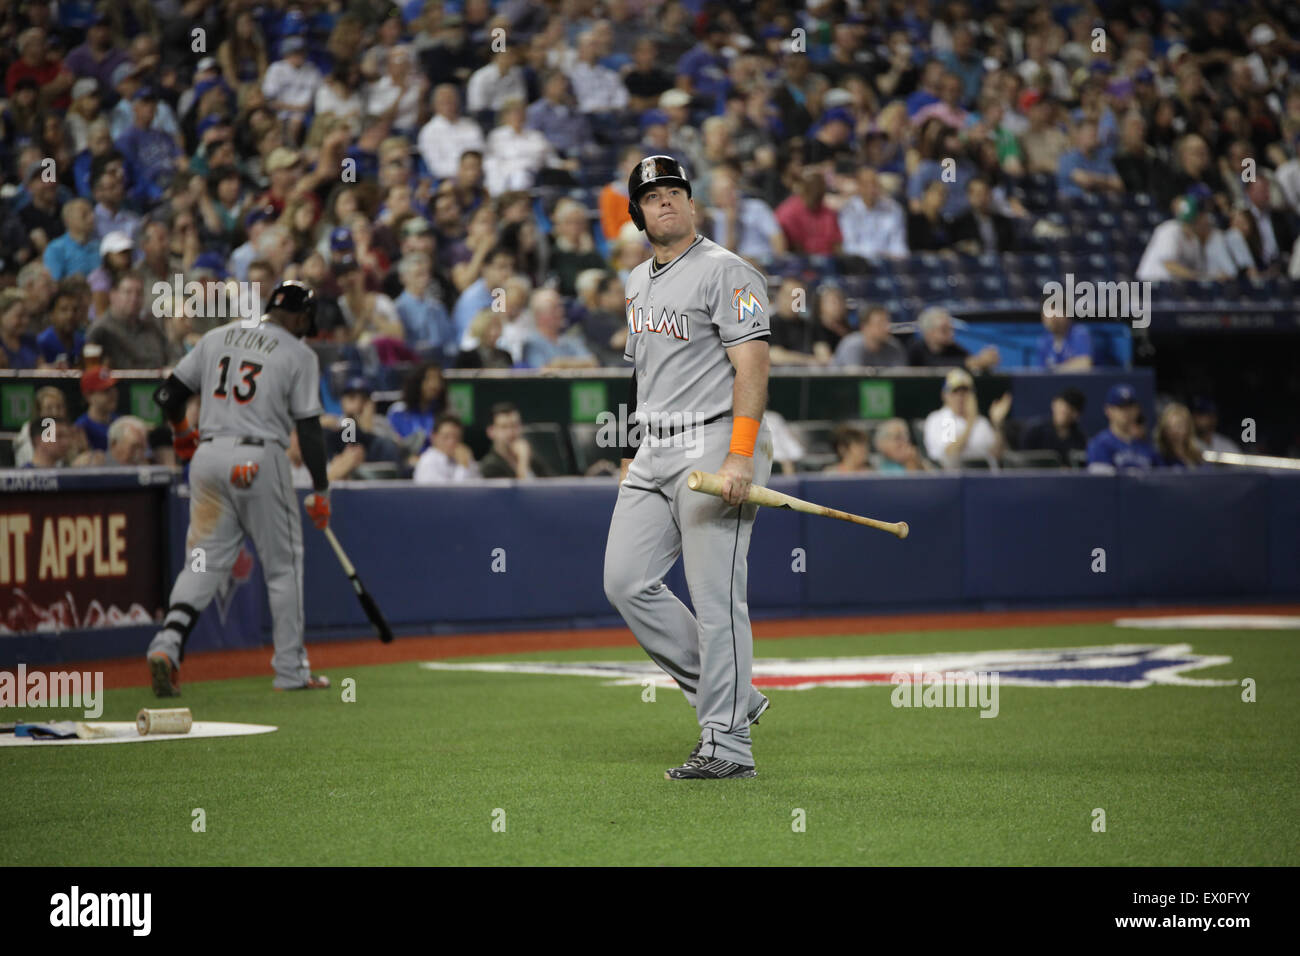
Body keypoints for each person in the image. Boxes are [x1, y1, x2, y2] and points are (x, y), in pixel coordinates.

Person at [604, 155, 775, 781]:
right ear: (638, 214)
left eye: (675, 191)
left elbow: (752, 368)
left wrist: (741, 452)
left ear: (692, 203)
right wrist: (629, 448)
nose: (666, 201)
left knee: (716, 597)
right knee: (625, 582)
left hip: (714, 441)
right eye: (653, 196)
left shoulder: (728, 271)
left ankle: (727, 744)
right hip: (653, 446)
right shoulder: (635, 282)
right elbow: (639, 369)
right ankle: (734, 696)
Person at [146, 280, 332, 695]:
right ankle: (290, 671)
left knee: (202, 562)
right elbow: (309, 428)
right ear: (301, 317)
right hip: (259, 457)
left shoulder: (216, 336)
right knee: (284, 567)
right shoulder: (299, 353)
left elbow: (166, 394)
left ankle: (167, 644)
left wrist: (180, 433)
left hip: (207, 457)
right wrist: (321, 488)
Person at [923, 367, 1011, 469]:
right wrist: (970, 421)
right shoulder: (944, 419)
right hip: (954, 479)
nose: (960, 397)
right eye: (955, 391)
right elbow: (951, 453)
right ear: (945, 395)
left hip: (985, 477)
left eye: (965, 392)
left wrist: (997, 424)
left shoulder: (981, 422)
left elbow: (996, 455)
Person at [1086, 384, 1160, 473]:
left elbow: (1161, 478)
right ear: (1108, 411)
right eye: (1121, 407)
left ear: (1137, 410)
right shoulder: (1100, 444)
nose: (1126, 412)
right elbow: (1102, 483)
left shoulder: (1147, 445)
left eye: (1130, 407)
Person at [908, 306, 1000, 372]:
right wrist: (972, 362)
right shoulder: (915, 349)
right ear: (928, 332)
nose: (951, 334)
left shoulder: (954, 349)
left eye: (951, 329)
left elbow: (969, 361)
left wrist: (983, 363)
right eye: (944, 330)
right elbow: (932, 364)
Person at [478, 402, 552, 479]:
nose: (511, 432)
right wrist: (523, 461)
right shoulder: (490, 467)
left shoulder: (533, 460)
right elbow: (520, 490)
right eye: (504, 427)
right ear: (491, 432)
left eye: (515, 425)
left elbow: (555, 485)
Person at [1017, 388, 1088, 464]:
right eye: (1063, 406)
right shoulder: (1034, 431)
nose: (1066, 411)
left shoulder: (1080, 439)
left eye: (1072, 409)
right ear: (1054, 404)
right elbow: (1022, 461)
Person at [833, 304, 907, 368]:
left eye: (887, 322)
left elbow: (901, 379)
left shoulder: (894, 347)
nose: (886, 327)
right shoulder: (852, 346)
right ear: (865, 327)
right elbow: (855, 380)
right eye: (880, 323)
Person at [412, 416, 480, 483]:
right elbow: (451, 492)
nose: (452, 442)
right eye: (446, 437)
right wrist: (463, 467)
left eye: (457, 437)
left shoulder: (465, 456)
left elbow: (479, 485)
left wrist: (465, 463)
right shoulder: (428, 461)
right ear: (433, 437)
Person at [74, 366, 119, 452]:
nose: (113, 394)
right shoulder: (81, 427)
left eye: (113, 388)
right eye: (106, 391)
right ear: (88, 396)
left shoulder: (120, 422)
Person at [1036, 303, 1094, 371]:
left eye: (1055, 317)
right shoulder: (1044, 341)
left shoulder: (1080, 333)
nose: (1051, 321)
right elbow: (1041, 371)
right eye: (1046, 316)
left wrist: (1055, 370)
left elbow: (1085, 364)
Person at [1154, 402, 1204, 469]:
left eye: (1179, 426)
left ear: (1188, 427)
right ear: (1163, 431)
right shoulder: (1158, 460)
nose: (1175, 432)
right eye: (1170, 427)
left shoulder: (1198, 457)